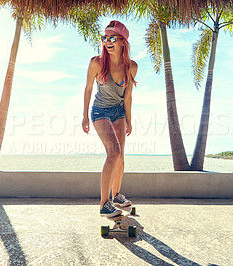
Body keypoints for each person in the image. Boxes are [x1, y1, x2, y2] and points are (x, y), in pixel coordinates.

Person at [82, 20, 138, 217]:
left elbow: (128, 97)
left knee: (121, 156)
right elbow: (88, 88)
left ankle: (116, 196)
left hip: (119, 112)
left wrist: (129, 120)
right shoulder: (97, 62)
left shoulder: (131, 67)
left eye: (112, 38)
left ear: (123, 41)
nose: (107, 42)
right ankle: (104, 204)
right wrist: (84, 116)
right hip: (100, 112)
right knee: (113, 153)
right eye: (104, 38)